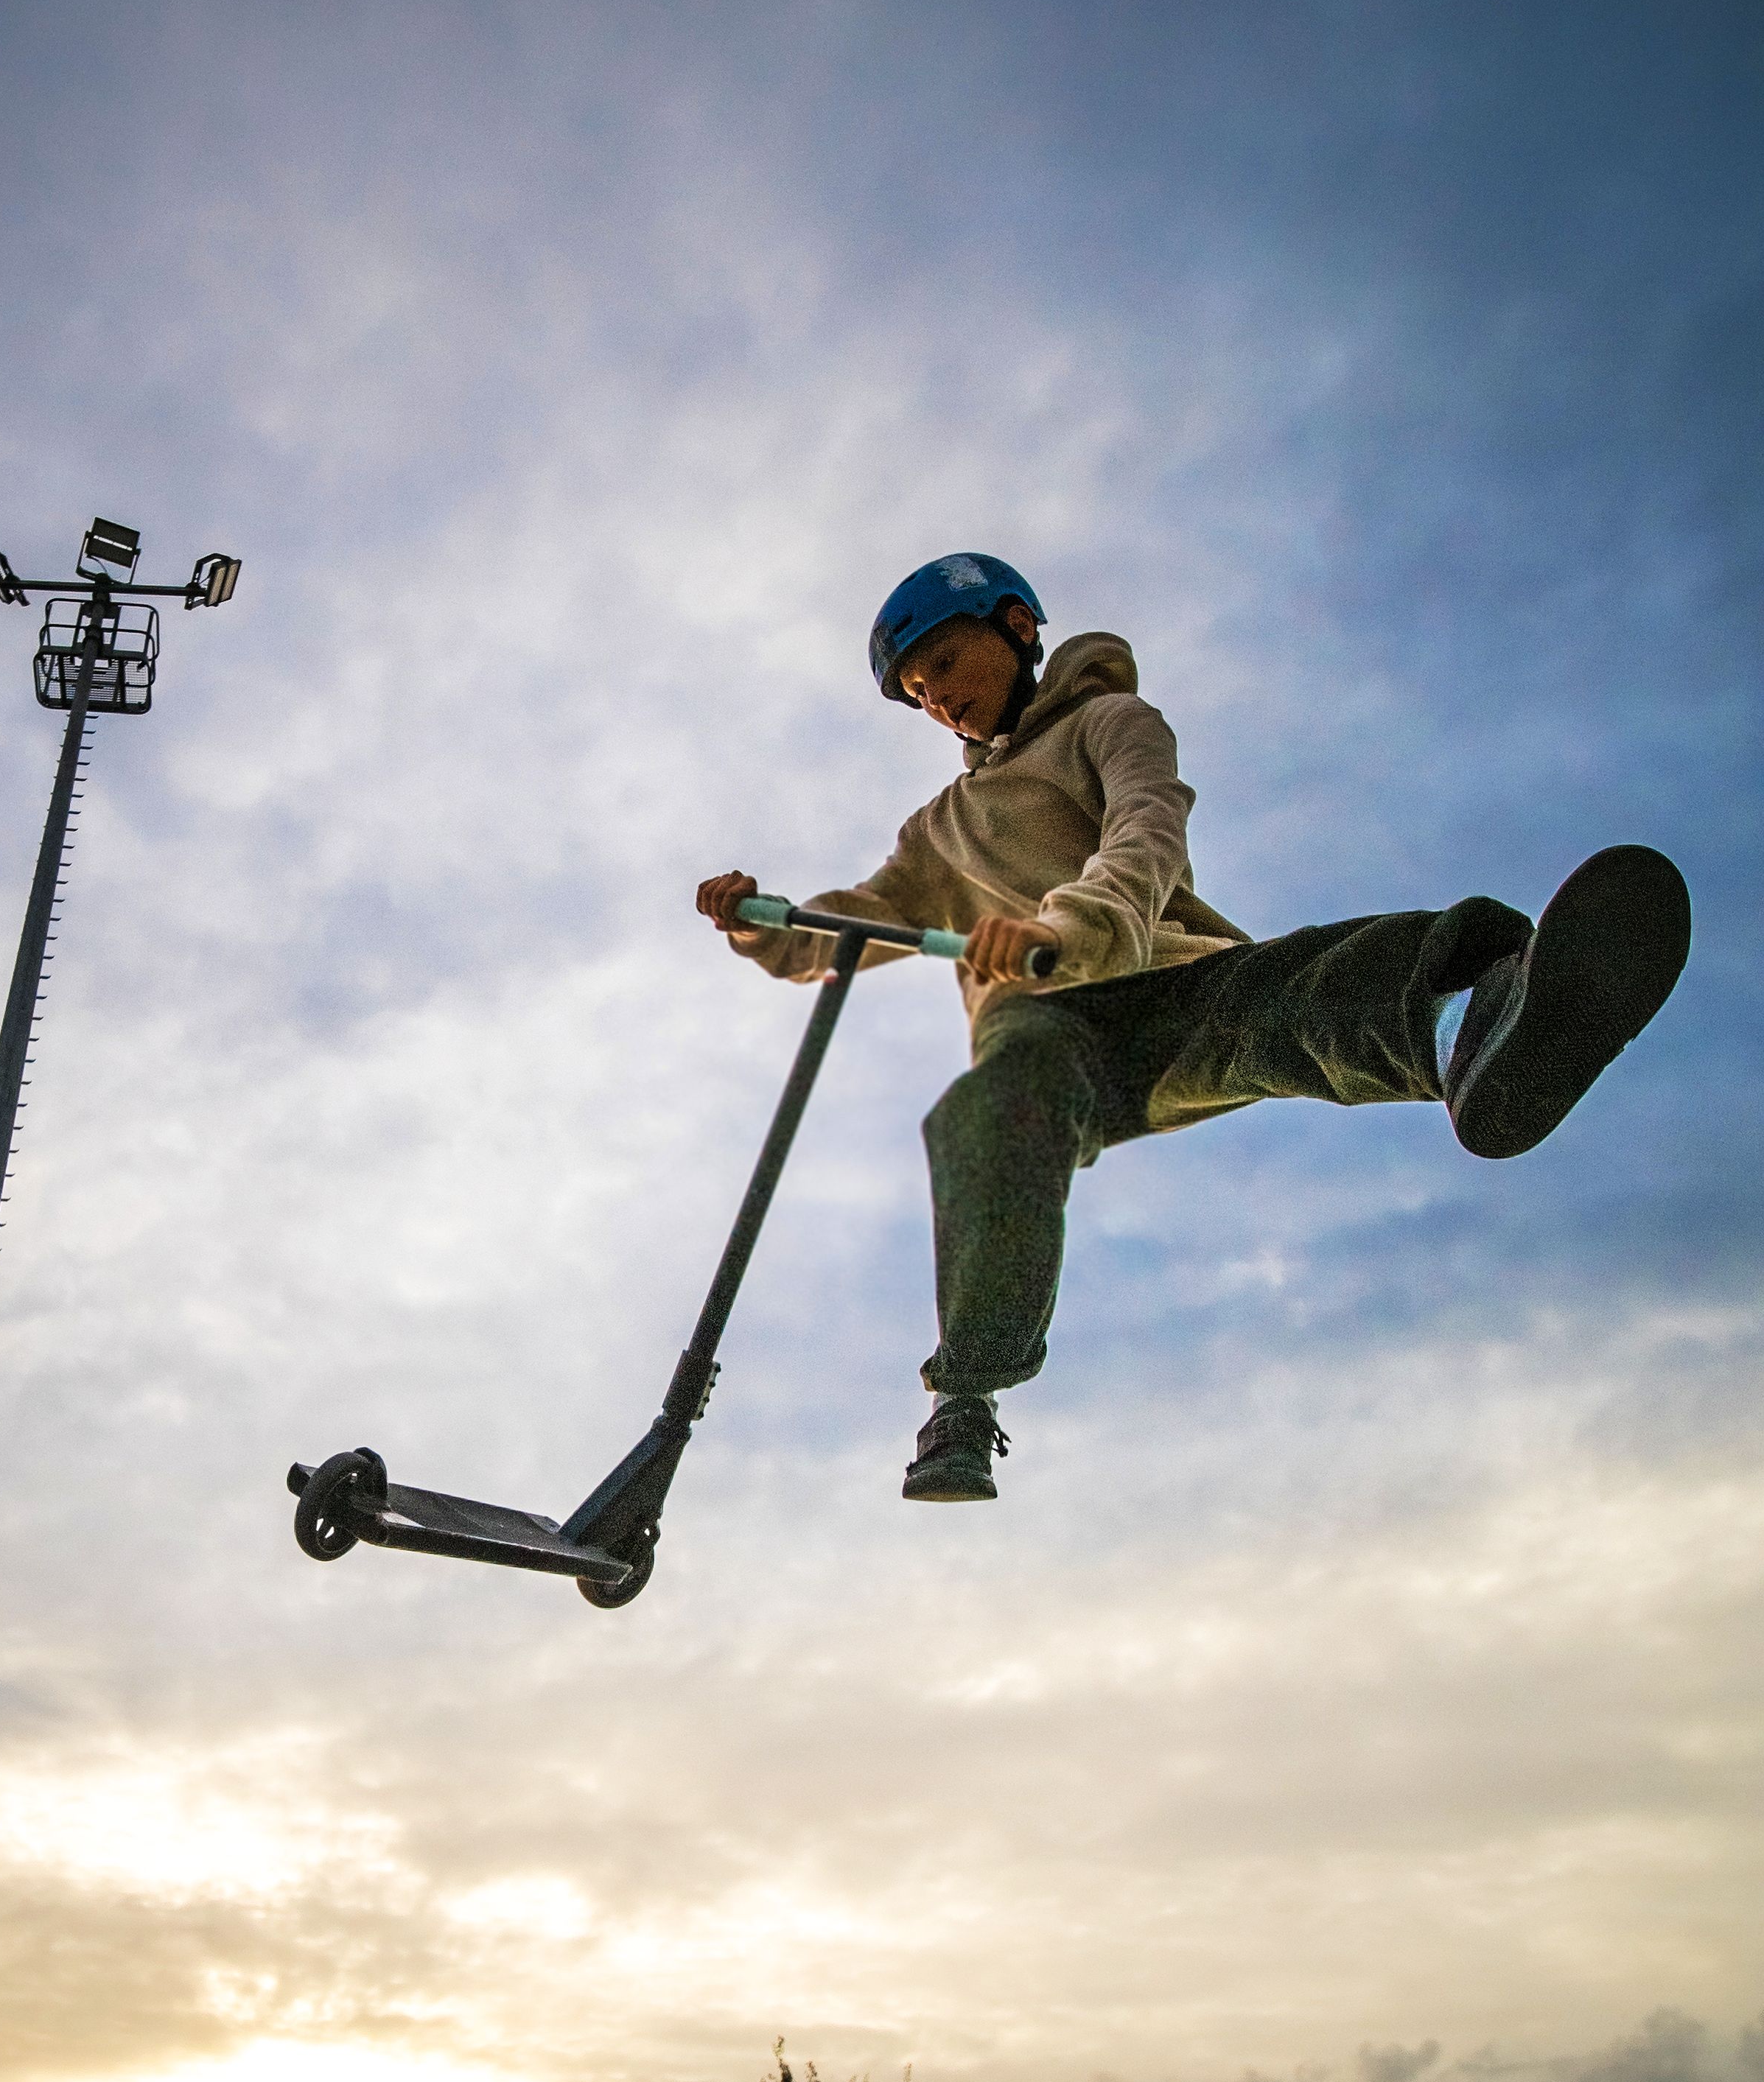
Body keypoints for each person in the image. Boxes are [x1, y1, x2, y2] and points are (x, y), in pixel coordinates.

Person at [699, 552, 1692, 1502]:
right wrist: (760, 922)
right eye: (918, 691)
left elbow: (1145, 835)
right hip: (1046, 1030)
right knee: (994, 1104)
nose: (938, 698)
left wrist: (1062, 927)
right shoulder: (937, 830)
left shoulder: (1110, 723)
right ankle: (964, 1395)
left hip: (1153, 977)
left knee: (1277, 1000)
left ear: (1013, 627)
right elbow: (851, 925)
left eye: (945, 664)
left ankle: (1471, 1027)